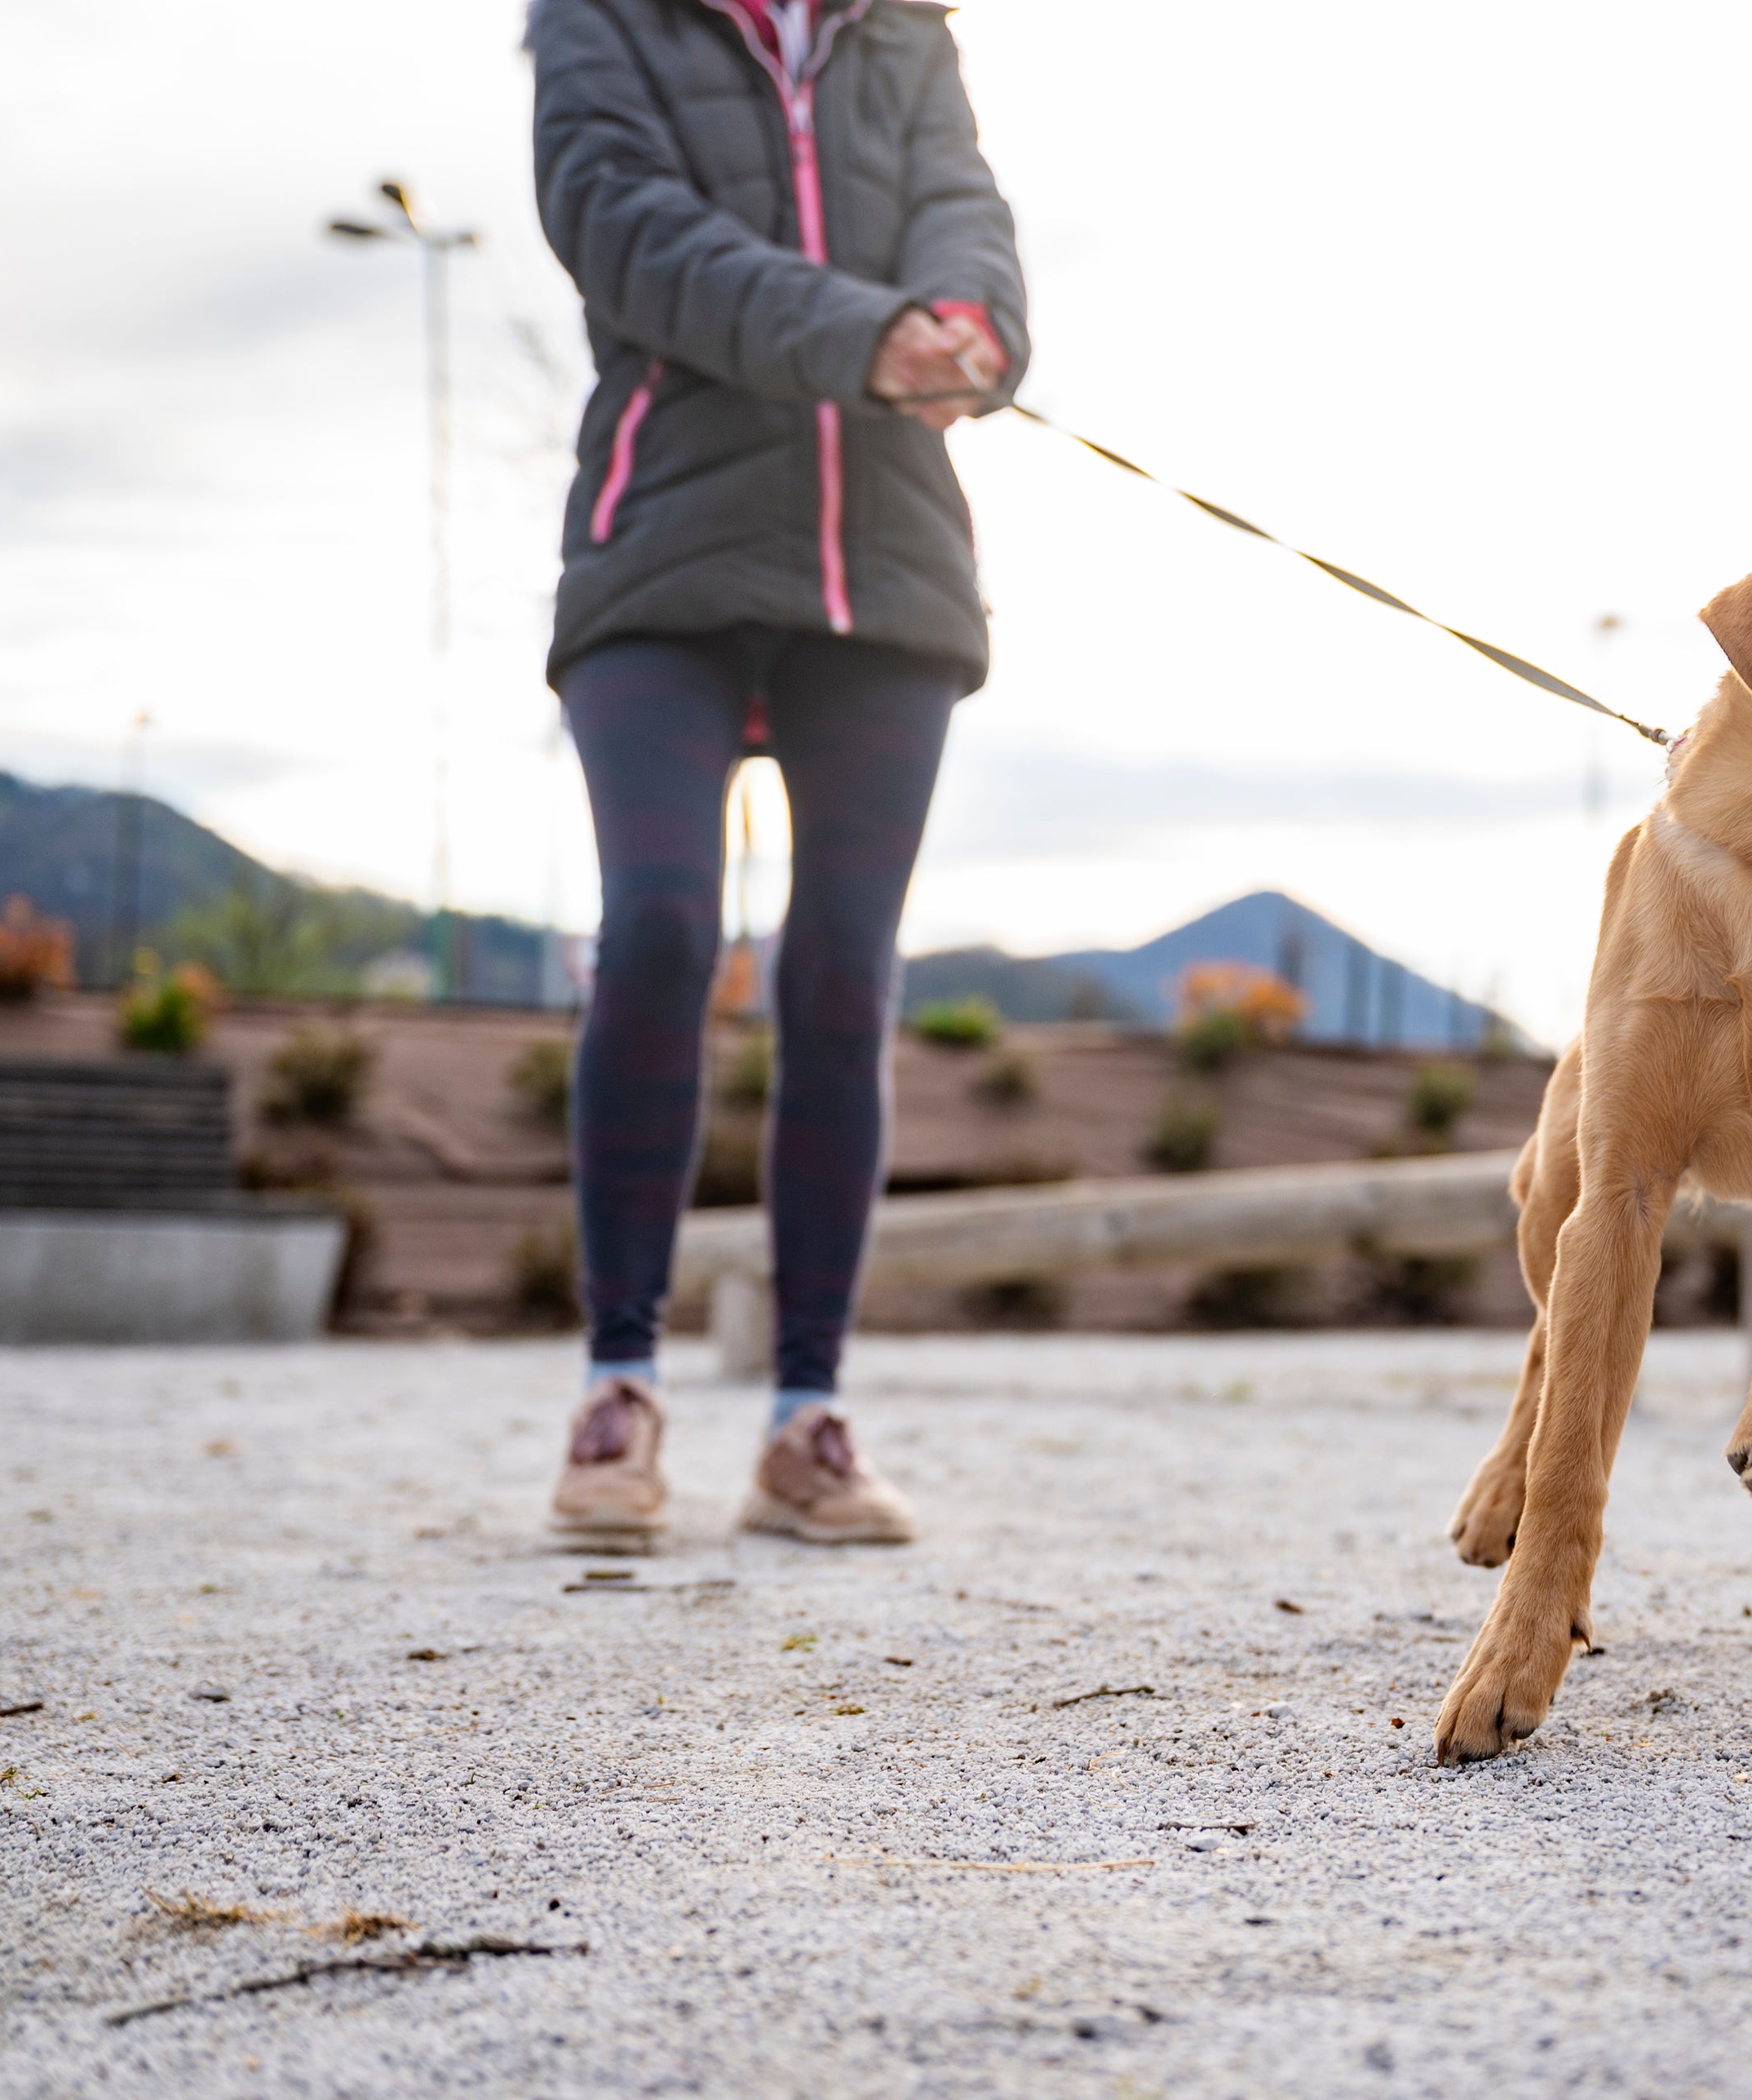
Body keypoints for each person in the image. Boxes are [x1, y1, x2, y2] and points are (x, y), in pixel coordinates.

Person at [524, 0, 1027, 1543]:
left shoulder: (901, 31)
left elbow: (966, 206)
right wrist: (857, 336)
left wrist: (971, 325)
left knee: (842, 972)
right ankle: (620, 1381)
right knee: (665, 924)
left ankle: (807, 1415)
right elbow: (619, 224)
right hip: (661, 556)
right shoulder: (598, 17)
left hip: (886, 573)